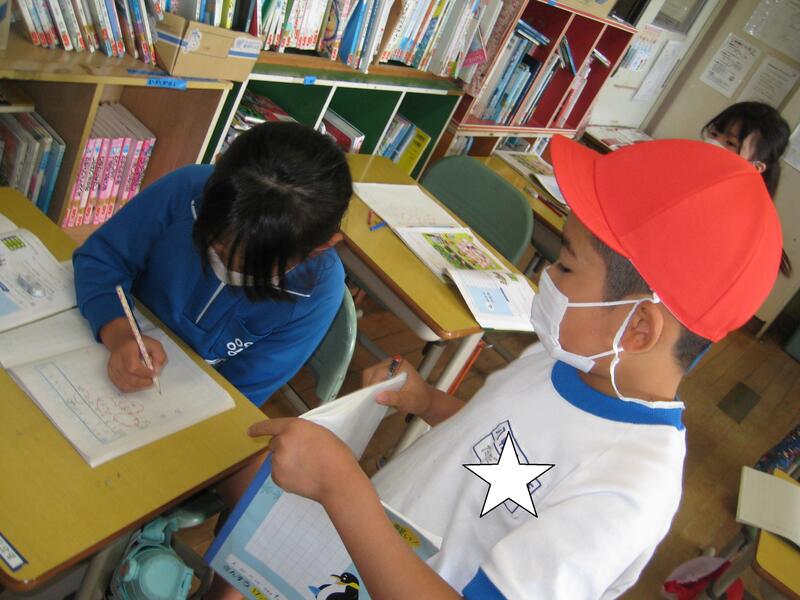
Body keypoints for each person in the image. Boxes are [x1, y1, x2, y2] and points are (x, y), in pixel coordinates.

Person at [212, 137, 782, 599]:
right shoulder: (566, 358)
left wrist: (342, 487)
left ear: (637, 328)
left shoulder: (627, 492)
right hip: (358, 556)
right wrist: (426, 402)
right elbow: (497, 444)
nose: (545, 278)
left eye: (565, 266)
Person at [73, 121, 353, 406]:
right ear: (215, 175)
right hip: (103, 337)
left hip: (178, 404)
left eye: (250, 266)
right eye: (216, 243)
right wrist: (119, 334)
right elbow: (101, 259)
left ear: (319, 249)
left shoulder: (317, 294)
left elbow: (239, 396)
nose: (226, 265)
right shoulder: (187, 188)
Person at [702, 101, 791, 275]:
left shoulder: (738, 220)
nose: (713, 143)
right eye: (713, 133)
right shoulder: (687, 173)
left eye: (730, 143)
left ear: (756, 167)